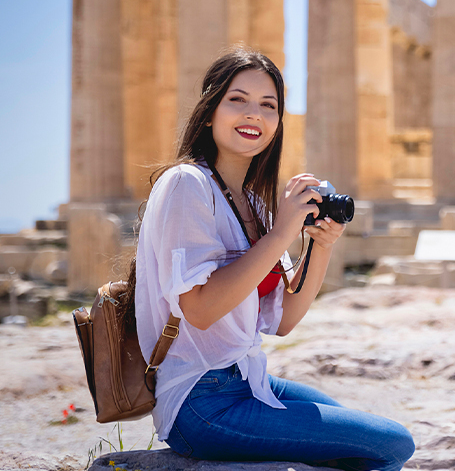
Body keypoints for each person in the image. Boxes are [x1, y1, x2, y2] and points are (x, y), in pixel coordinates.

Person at [124, 46, 415, 470]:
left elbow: (283, 320)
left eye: (268, 105)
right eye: (237, 100)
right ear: (209, 112)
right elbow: (200, 310)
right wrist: (281, 233)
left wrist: (321, 244)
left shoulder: (253, 203)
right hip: (200, 400)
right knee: (392, 444)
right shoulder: (186, 183)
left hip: (249, 380)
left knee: (360, 444)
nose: (253, 115)